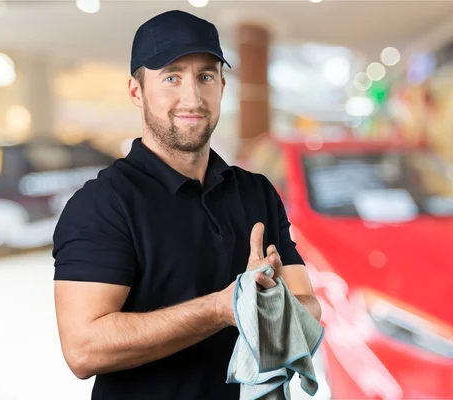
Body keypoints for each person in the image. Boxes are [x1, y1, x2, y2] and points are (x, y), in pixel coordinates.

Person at [52, 10, 321, 400]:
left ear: (223, 87)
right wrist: (221, 308)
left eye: (205, 76)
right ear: (136, 91)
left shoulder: (256, 192)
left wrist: (268, 301)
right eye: (172, 77)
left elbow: (309, 309)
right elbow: (83, 348)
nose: (192, 97)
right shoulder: (103, 204)